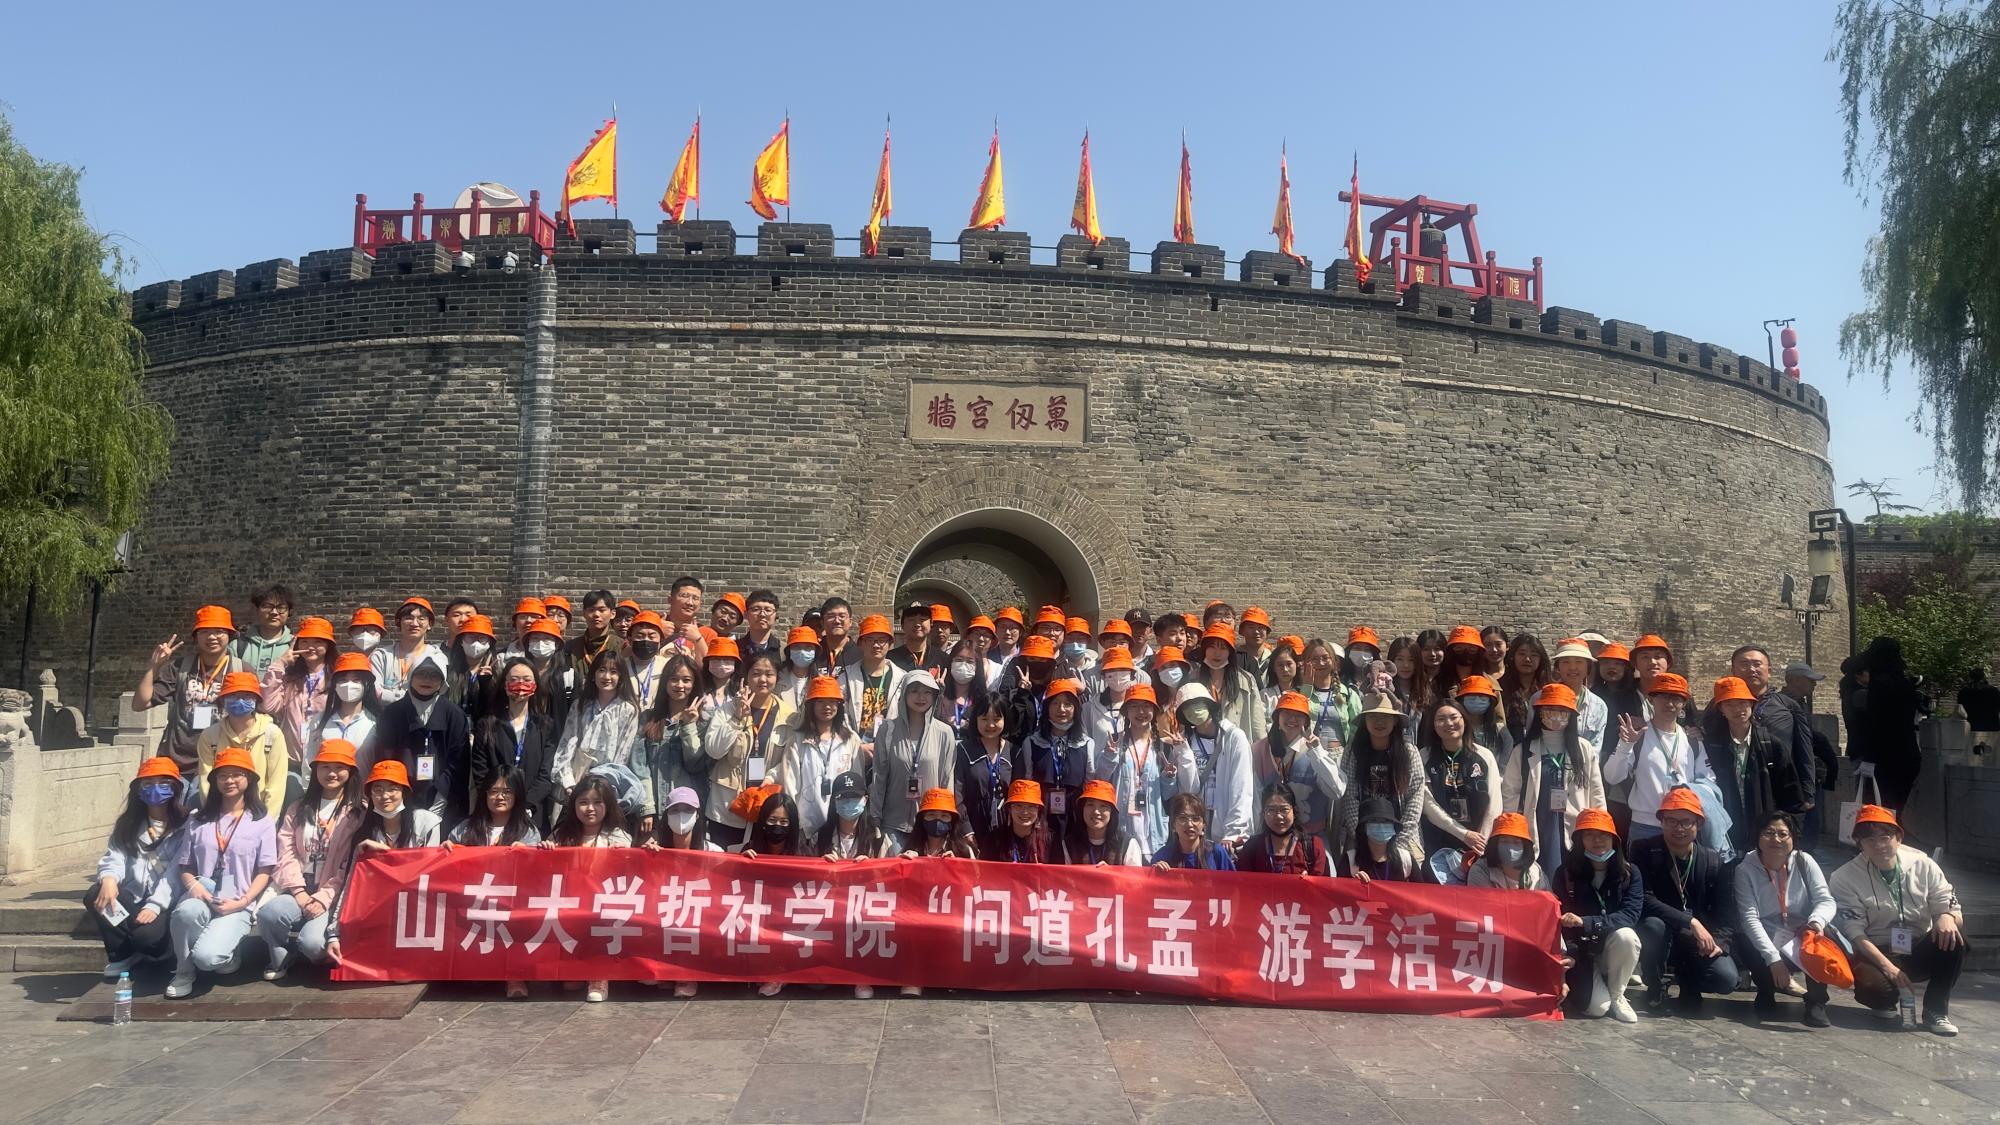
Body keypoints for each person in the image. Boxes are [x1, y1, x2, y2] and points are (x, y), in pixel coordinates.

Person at [1830, 804, 1966, 1035]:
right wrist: (1889, 968)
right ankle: (1884, 1000)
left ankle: (1935, 1011)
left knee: (1954, 936)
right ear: (1859, 844)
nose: (1879, 845)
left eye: (1885, 837)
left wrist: (1946, 916)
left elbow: (1949, 903)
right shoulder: (1843, 877)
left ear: (1899, 838)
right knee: (1874, 989)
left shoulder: (1923, 864)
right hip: (1877, 949)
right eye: (1869, 840)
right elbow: (1855, 933)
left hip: (1918, 943)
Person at [165, 747, 278, 998]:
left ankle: (225, 951)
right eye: (223, 775)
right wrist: (194, 887)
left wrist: (244, 902)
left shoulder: (262, 821)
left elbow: (266, 870)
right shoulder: (198, 819)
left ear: (250, 779)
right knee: (185, 913)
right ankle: (183, 971)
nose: (229, 780)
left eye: (237, 774)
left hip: (238, 902)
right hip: (202, 894)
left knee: (209, 958)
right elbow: (185, 865)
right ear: (214, 780)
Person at [255, 739, 364, 980]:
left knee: (313, 945)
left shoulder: (359, 813)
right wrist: (299, 892)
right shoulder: (298, 807)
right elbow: (285, 852)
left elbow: (351, 865)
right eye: (325, 767)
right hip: (299, 889)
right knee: (269, 915)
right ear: (315, 770)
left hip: (332, 896)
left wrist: (323, 898)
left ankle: (315, 948)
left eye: (339, 767)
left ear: (351, 772)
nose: (331, 773)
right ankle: (282, 955)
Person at [1630, 788, 1740, 1013]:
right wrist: (1690, 922)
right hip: (1662, 934)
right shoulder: (1644, 850)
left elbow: (1726, 912)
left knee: (1726, 979)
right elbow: (1645, 899)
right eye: (1671, 821)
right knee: (1653, 926)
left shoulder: (1712, 860)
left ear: (1699, 824)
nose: (1678, 828)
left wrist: (1719, 943)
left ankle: (1690, 982)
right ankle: (1656, 985)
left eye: (1685, 822)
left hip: (1696, 941)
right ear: (1661, 821)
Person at [88, 757, 189, 978]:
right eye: (148, 783)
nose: (155, 789)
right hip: (135, 896)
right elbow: (115, 855)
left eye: (164, 783)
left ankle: (155, 950)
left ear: (176, 788)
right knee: (96, 894)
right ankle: (122, 954)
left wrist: (155, 905)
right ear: (138, 789)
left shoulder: (187, 824)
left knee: (148, 939)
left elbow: (176, 872)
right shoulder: (128, 823)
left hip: (166, 901)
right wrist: (109, 879)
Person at [1734, 811, 1836, 1028]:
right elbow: (1750, 919)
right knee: (1744, 938)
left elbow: (1825, 901)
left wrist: (1816, 922)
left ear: (1793, 838)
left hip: (1801, 933)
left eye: (1783, 834)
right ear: (1757, 836)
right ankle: (1766, 989)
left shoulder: (1804, 861)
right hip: (1768, 934)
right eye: (1768, 833)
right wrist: (1774, 960)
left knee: (1823, 934)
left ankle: (1816, 1001)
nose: (1776, 839)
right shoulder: (1745, 870)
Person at [134, 604, 246, 791]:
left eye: (219, 631)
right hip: (177, 761)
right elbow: (140, 703)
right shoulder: (180, 668)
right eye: (205, 632)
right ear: (196, 636)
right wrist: (154, 666)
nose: (212, 637)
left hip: (220, 764)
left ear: (229, 635)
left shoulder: (241, 670)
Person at [542, 773, 631, 1002]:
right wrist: (546, 850)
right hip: (570, 901)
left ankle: (598, 977)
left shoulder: (618, 836)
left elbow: (630, 874)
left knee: (601, 923)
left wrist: (626, 856)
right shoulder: (561, 835)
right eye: (583, 802)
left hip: (603, 903)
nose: (590, 808)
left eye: (597, 802)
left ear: (607, 805)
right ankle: (575, 969)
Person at [1507, 683, 1607, 880]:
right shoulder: (1523, 750)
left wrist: (1599, 829)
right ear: (1539, 712)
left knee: (1574, 878)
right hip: (1538, 823)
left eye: (1562, 710)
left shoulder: (1584, 748)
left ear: (1571, 715)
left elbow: (1596, 792)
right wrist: (1510, 832)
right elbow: (1510, 792)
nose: (1555, 715)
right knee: (1541, 876)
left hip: (1574, 824)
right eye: (1549, 709)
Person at [1554, 808, 1642, 1022]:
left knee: (1627, 936)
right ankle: (1597, 988)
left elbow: (1629, 915)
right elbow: (1560, 922)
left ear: (1614, 840)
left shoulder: (1629, 873)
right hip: (1581, 951)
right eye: (1589, 835)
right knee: (1597, 1008)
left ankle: (1617, 994)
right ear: (1579, 840)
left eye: (1603, 835)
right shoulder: (1565, 874)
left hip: (1612, 945)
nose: (1597, 840)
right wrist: (1571, 954)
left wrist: (1586, 922)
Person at [1699, 676, 1804, 857]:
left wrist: (1790, 834)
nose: (1737, 709)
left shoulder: (1771, 744)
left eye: (1742, 702)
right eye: (1729, 704)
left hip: (1765, 835)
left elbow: (1792, 795)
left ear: (1752, 704)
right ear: (1721, 709)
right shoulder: (1710, 746)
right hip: (1725, 834)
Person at [1603, 673, 1711, 843]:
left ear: (1683, 704)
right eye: (1663, 697)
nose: (1669, 704)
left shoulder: (1692, 740)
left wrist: (1688, 794)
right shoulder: (1637, 736)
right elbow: (1612, 776)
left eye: (1676, 698)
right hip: (1645, 827)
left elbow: (1709, 780)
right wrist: (1626, 745)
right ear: (1650, 699)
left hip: (1683, 826)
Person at [373, 659, 474, 829]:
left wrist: (440, 800)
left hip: (444, 802)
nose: (427, 680)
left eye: (433, 676)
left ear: (442, 682)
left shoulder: (454, 715)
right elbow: (385, 759)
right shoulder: (392, 714)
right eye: (421, 674)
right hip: (400, 798)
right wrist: (401, 797)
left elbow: (458, 764)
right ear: (410, 677)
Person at [640, 786, 721, 997]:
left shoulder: (713, 851)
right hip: (666, 912)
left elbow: (727, 885)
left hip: (701, 914)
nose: (681, 816)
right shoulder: (657, 849)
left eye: (688, 810)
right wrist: (647, 859)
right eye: (675, 810)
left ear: (697, 815)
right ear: (666, 816)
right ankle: (666, 969)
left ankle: (686, 974)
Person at [1332, 692, 1423, 875]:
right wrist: (1362, 838)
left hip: (1403, 839)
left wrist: (1399, 842)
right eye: (1373, 716)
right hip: (1360, 839)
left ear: (1395, 721)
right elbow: (1350, 797)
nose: (1379, 722)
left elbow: (1415, 797)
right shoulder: (1353, 752)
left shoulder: (1409, 752)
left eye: (1385, 717)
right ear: (1364, 721)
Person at [870, 671, 956, 851]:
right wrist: (875, 817)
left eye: (927, 692)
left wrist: (945, 820)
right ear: (904, 693)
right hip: (893, 823)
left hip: (930, 825)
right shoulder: (887, 729)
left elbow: (947, 780)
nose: (920, 697)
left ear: (934, 696)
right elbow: (879, 777)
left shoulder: (945, 733)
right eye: (914, 691)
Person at [1250, 691, 1345, 853]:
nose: (1292, 719)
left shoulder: (1316, 749)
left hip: (1311, 840)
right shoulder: (1259, 750)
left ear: (1307, 721)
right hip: (1271, 839)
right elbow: (1254, 799)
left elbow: (1337, 791)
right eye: (1286, 713)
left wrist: (1316, 752)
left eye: (1299, 715)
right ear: (1277, 717)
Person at [771, 674, 863, 840]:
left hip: (839, 828)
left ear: (839, 705)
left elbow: (857, 783)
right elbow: (790, 784)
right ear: (811, 705)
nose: (827, 706)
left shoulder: (851, 739)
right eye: (820, 701)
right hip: (805, 828)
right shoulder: (797, 740)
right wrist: (794, 824)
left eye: (832, 701)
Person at [475, 657, 559, 830]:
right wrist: (499, 800)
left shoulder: (546, 726)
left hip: (533, 815)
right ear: (504, 685)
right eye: (514, 679)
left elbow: (546, 774)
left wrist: (526, 805)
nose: (520, 685)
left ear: (535, 685)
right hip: (494, 813)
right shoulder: (487, 725)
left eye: (527, 680)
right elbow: (480, 772)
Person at [1417, 697, 1500, 868]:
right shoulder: (1423, 757)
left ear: (1464, 720)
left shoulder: (1484, 756)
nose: (1449, 723)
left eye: (1454, 717)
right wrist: (1463, 834)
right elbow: (1427, 803)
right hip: (1438, 840)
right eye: (1441, 719)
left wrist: (1480, 840)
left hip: (1479, 841)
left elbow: (1495, 803)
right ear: (1432, 725)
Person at [1171, 683, 1255, 844]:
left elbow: (1242, 787)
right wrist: (1183, 753)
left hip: (1228, 834)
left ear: (1209, 704)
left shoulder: (1234, 737)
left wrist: (1233, 832)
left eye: (1197, 703)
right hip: (1198, 830)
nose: (1193, 709)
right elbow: (1189, 791)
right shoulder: (1184, 742)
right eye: (1187, 707)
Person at [194, 671, 287, 813]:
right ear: (223, 700)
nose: (240, 700)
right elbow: (206, 781)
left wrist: (267, 820)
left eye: (247, 696)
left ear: (256, 699)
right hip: (221, 812)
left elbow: (276, 785)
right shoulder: (210, 736)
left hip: (259, 812)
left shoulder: (273, 735)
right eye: (233, 696)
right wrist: (215, 816)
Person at [554, 651, 641, 800]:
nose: (606, 676)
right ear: (593, 674)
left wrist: (604, 784)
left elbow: (623, 754)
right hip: (575, 779)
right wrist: (568, 782)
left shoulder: (628, 710)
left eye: (613, 672)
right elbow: (566, 744)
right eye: (602, 670)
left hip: (606, 785)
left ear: (621, 677)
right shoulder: (580, 705)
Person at [1856, 636, 1925, 814]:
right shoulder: (1904, 683)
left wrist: (1868, 758)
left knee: (1879, 813)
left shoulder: (1879, 684)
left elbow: (1876, 725)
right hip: (1908, 754)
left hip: (1885, 758)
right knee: (1894, 811)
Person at [1026, 678, 1098, 842]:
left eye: (1068, 704)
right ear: (1046, 708)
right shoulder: (1031, 743)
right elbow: (1028, 781)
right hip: (1041, 818)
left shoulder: (1087, 744)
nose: (1061, 709)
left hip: (1075, 819)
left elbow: (1089, 784)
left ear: (1076, 709)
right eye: (1055, 703)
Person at [259, 615, 336, 767]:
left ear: (328, 645)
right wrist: (280, 663)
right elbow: (268, 706)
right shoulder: (288, 678)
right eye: (305, 641)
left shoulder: (337, 677)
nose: (310, 647)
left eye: (318, 641)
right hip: (291, 760)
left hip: (327, 761)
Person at [954, 693, 1024, 845]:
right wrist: (966, 830)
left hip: (1008, 829)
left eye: (997, 719)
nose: (990, 725)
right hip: (973, 827)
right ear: (976, 719)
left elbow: (1020, 795)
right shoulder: (964, 750)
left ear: (1005, 719)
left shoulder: (1014, 752)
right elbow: (957, 793)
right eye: (984, 719)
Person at [1592, 642, 1645, 838]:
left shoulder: (1635, 695)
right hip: (1599, 758)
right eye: (1606, 663)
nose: (1611, 667)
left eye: (1618, 663)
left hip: (1628, 760)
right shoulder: (1593, 694)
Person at [1237, 780, 1331, 876]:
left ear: (1294, 811)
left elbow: (1323, 883)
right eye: (1271, 810)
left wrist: (1309, 881)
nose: (1278, 816)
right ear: (1264, 814)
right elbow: (1242, 882)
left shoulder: (1313, 847)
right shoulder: (1252, 847)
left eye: (1284, 809)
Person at [839, 614, 904, 746]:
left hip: (891, 747)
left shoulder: (902, 678)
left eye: (882, 640)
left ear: (890, 644)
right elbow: (841, 716)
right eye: (870, 640)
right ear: (861, 643)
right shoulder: (845, 677)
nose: (876, 645)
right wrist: (856, 746)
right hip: (855, 748)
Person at [369, 596, 447, 704]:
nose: (414, 623)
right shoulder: (381, 656)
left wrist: (386, 695)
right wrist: (413, 697)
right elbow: (374, 692)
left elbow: (432, 694)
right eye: (408, 618)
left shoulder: (437, 657)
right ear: (399, 623)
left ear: (429, 624)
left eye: (421, 618)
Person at [311, 652, 381, 771]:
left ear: (367, 684)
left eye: (356, 680)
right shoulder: (320, 720)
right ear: (335, 685)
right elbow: (309, 762)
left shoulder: (376, 722)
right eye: (343, 680)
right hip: (327, 783)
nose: (349, 685)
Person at [448, 768, 543, 847]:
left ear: (517, 795)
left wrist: (527, 853)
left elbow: (534, 862)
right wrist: (446, 849)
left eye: (507, 792)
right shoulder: (465, 828)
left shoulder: (528, 832)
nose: (500, 797)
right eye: (494, 791)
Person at [1062, 779, 1144, 866]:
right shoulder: (1068, 844)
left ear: (1112, 812)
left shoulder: (1127, 844)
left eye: (1103, 806)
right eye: (1090, 805)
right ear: (1082, 809)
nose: (1096, 812)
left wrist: (1109, 873)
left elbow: (1134, 875)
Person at [818, 771, 892, 862]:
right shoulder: (820, 838)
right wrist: (820, 863)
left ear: (865, 800)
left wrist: (872, 866)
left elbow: (892, 868)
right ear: (834, 801)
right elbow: (807, 866)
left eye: (855, 796)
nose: (849, 801)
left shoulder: (877, 839)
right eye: (843, 796)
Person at [1548, 638, 1608, 751]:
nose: (1572, 667)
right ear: (1558, 666)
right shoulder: (1540, 699)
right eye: (1566, 662)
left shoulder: (1598, 705)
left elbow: (1595, 749)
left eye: (1579, 661)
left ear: (1588, 666)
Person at [1151, 793, 1235, 870]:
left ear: (1203, 824)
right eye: (1182, 818)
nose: (1189, 824)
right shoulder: (1162, 856)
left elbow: (1232, 881)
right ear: (1173, 825)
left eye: (1195, 819)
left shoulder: (1216, 853)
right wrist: (1155, 873)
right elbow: (1151, 881)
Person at [563, 590, 625, 695]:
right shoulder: (570, 647)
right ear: (584, 613)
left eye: (602, 610)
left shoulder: (621, 646)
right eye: (591, 610)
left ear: (612, 613)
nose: (596, 614)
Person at [1466, 812, 1548, 891]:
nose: (1510, 849)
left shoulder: (1535, 872)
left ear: (1525, 847)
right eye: (1504, 841)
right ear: (1494, 845)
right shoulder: (1481, 871)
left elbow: (1547, 898)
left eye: (1516, 842)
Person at [1339, 796, 1412, 882]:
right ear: (1363, 828)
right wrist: (1353, 884)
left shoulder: (1405, 860)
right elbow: (1339, 889)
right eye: (1374, 820)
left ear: (1393, 827)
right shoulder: (1349, 860)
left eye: (1386, 821)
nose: (1381, 825)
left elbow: (1422, 889)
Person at [985, 779, 1055, 864]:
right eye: (1018, 805)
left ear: (1038, 811)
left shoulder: (1050, 840)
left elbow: (1059, 871)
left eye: (1031, 806)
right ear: (1009, 809)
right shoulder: (995, 839)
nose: (1025, 812)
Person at [1499, 633, 1551, 746]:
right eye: (1521, 654)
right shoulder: (1500, 688)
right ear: (1513, 656)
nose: (1527, 659)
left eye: (1534, 655)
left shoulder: (1549, 690)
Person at [233, 584, 296, 676]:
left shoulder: (295, 646)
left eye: (281, 607)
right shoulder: (237, 646)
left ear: (289, 612)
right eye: (267, 606)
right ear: (257, 609)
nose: (274, 612)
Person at [776, 625, 822, 710]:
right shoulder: (776, 679)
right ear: (789, 651)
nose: (802, 652)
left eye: (808, 647)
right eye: (797, 647)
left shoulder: (821, 682)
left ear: (815, 652)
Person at [1960, 666, 2000, 757]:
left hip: (1971, 725)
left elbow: (1960, 708)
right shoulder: (1993, 691)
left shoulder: (1964, 691)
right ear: (1983, 677)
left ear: (1970, 678)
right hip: (1991, 725)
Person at [739, 590, 782, 662]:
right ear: (746, 614)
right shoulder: (735, 648)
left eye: (768, 610)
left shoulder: (784, 651)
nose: (762, 614)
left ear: (776, 616)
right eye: (756, 609)